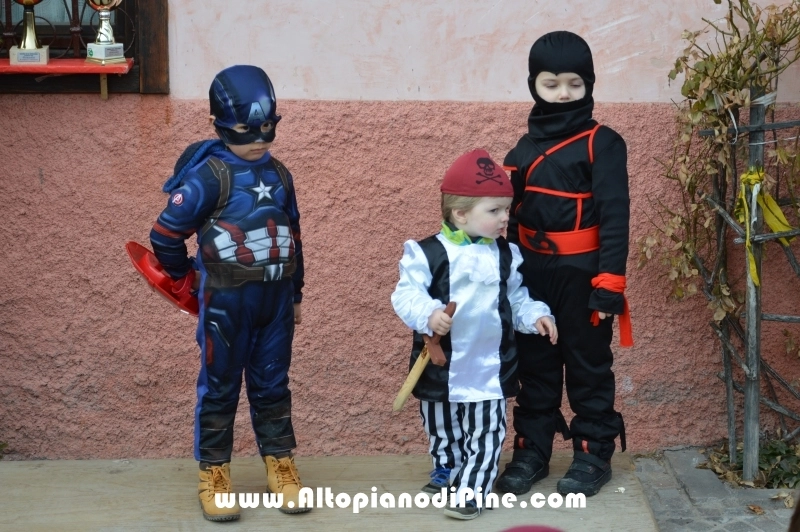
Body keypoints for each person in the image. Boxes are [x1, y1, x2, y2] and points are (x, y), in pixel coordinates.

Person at [150, 65, 308, 521]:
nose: (259, 138)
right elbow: (164, 236)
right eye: (245, 130)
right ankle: (214, 473)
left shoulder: (280, 174)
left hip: (275, 303)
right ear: (218, 123)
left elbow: (294, 237)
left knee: (273, 385)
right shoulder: (208, 177)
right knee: (219, 388)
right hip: (225, 304)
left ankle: (281, 465)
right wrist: (187, 279)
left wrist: (297, 294)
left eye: (268, 127)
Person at [495, 31, 632, 498]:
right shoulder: (521, 150)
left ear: (589, 83)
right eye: (551, 83)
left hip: (584, 275)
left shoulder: (603, 143)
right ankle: (531, 451)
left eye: (574, 83)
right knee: (535, 367)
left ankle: (593, 452)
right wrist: (504, 278)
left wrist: (610, 283)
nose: (563, 94)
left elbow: (615, 216)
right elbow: (507, 221)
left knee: (588, 365)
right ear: (533, 85)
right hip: (531, 277)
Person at [391, 149, 557, 520]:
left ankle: (473, 490)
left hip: (488, 365)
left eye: (506, 209)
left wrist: (536, 316)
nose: (505, 218)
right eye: (494, 210)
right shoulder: (425, 253)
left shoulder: (506, 254)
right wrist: (429, 314)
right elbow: (406, 294)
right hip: (441, 363)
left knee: (486, 432)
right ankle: (448, 471)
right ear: (460, 213)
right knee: (441, 427)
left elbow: (516, 297)